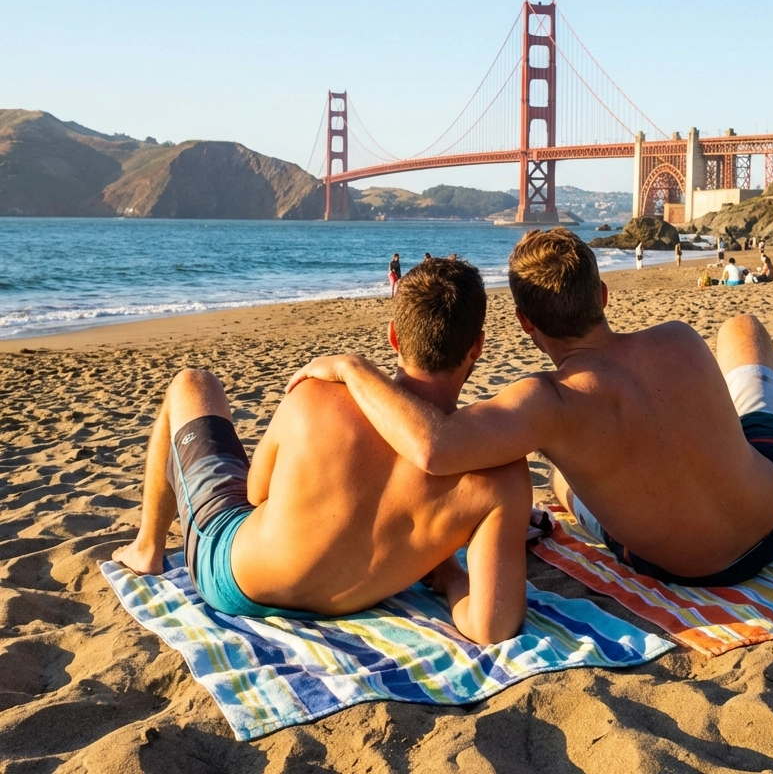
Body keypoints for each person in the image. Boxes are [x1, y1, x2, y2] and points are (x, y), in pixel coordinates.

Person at [288, 227, 773, 589]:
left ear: (526, 324)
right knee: (741, 329)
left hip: (690, 573)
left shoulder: (545, 403)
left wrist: (353, 369)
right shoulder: (679, 339)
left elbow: (434, 446)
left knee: (564, 486)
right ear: (603, 297)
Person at [112, 258, 531, 644]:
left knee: (192, 383)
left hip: (234, 582)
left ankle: (147, 550)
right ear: (476, 347)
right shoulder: (500, 476)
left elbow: (255, 495)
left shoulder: (314, 396)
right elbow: (490, 627)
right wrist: (451, 575)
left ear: (393, 336)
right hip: (352, 601)